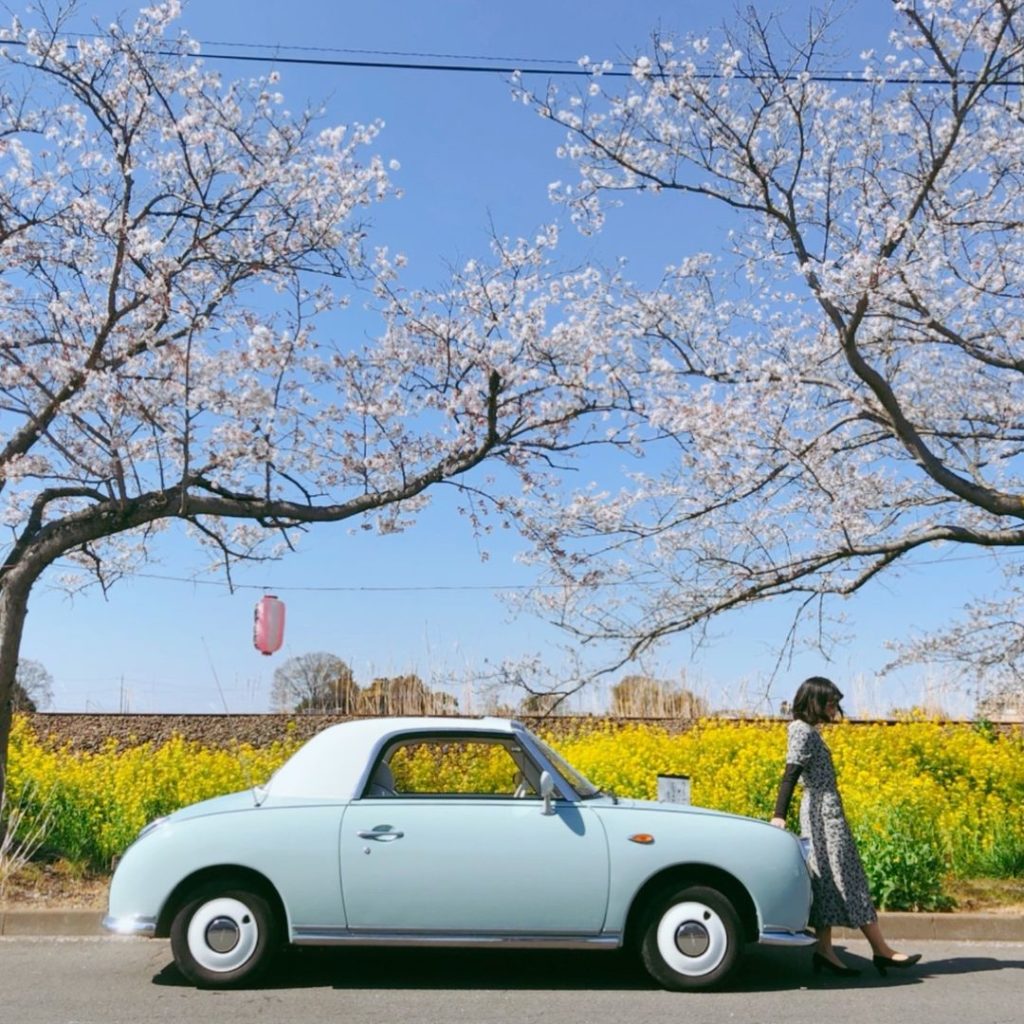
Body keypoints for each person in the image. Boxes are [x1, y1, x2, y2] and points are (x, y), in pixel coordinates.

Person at [771, 676, 922, 978]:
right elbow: (791, 773)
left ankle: (825, 951)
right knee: (848, 878)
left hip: (823, 812)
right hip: (823, 817)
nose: (835, 708)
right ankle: (881, 950)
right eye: (830, 702)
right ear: (814, 702)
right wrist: (778, 815)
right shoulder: (801, 731)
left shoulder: (809, 731)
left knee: (827, 879)